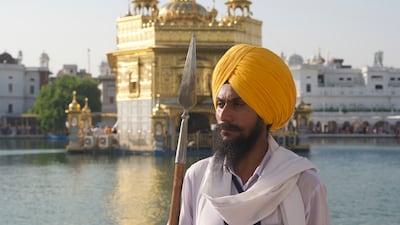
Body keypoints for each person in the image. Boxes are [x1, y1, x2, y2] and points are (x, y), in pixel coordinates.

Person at [178, 44, 330, 225]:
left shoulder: (304, 185)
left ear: (264, 112)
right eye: (220, 104)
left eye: (238, 104)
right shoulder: (197, 178)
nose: (224, 115)